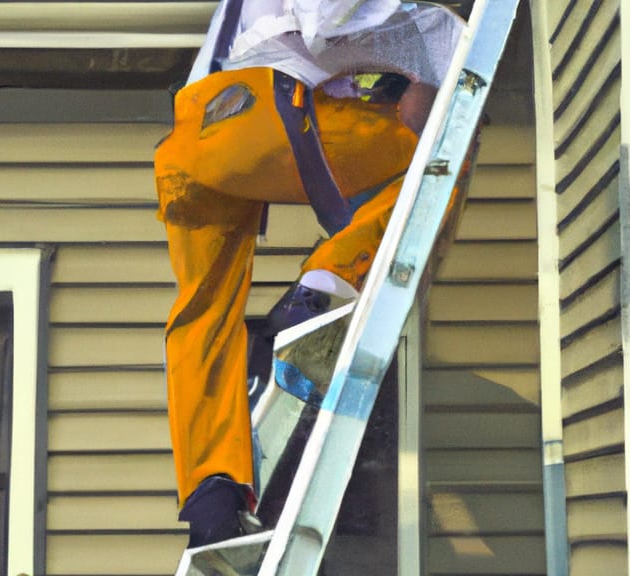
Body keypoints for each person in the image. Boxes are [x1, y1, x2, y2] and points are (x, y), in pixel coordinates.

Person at [154, 0, 465, 548]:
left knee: (203, 315)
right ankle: (323, 287)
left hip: (188, 142)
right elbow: (329, 23)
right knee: (444, 153)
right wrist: (438, 51)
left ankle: (210, 496)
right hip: (257, 112)